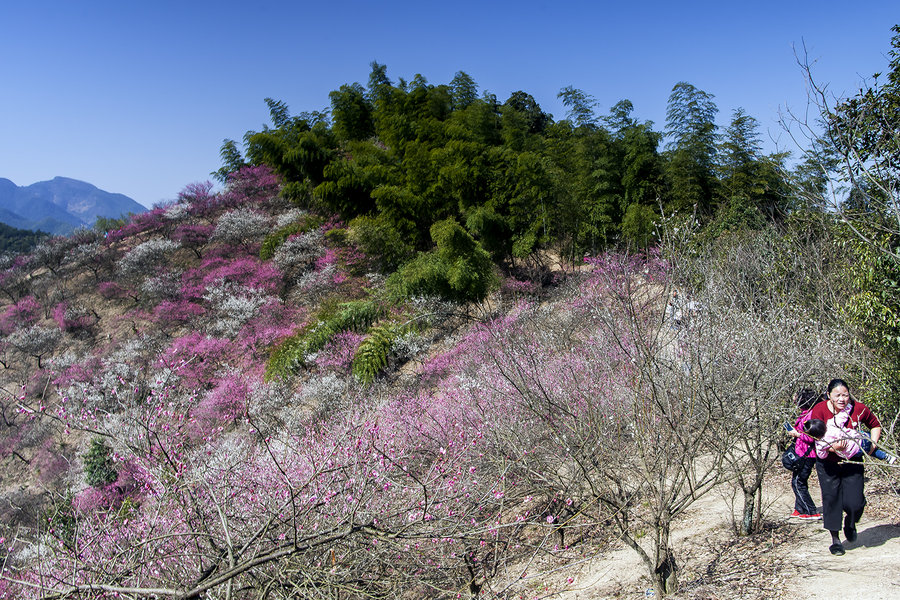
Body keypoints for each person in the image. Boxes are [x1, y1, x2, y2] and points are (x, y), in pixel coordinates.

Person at [809, 378, 884, 556]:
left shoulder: (858, 409)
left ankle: (851, 522)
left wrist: (872, 445)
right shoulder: (819, 410)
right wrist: (833, 447)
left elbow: (875, 424)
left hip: (853, 461)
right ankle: (835, 540)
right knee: (831, 498)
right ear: (829, 395)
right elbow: (816, 436)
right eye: (838, 396)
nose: (842, 399)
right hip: (828, 463)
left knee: (855, 502)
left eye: (845, 395)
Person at [786, 388, 822, 520]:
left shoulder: (811, 415)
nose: (795, 401)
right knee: (799, 481)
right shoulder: (804, 413)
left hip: (807, 454)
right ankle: (799, 508)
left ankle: (810, 511)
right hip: (801, 452)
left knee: (798, 482)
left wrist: (798, 434)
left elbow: (813, 437)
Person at [804, 418, 896, 464]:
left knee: (871, 452)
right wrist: (848, 406)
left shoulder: (820, 444)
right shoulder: (831, 423)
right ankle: (886, 455)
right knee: (869, 446)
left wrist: (828, 449)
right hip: (862, 437)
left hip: (856, 451)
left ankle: (886, 457)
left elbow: (822, 456)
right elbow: (842, 416)